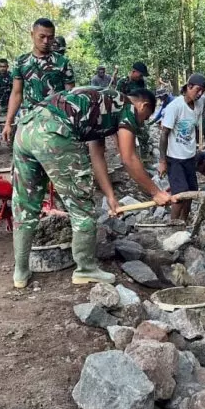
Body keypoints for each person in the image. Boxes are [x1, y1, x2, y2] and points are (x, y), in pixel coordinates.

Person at [11, 86, 171, 289]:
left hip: (26, 128)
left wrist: (110, 196)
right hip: (53, 131)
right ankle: (85, 269)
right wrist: (156, 192)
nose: (140, 123)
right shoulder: (128, 107)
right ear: (144, 105)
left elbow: (97, 155)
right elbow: (128, 157)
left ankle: (21, 271)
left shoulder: (102, 105)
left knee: (26, 203)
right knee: (81, 206)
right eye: (144, 118)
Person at [1, 18, 75, 142]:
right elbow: (16, 93)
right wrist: (8, 123)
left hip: (55, 123)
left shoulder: (62, 62)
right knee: (26, 159)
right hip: (29, 121)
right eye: (42, 36)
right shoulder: (21, 62)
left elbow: (71, 95)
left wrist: (73, 124)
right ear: (32, 35)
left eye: (50, 37)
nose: (46, 41)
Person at [159, 74, 205, 222]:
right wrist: (162, 161)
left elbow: (197, 127)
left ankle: (184, 223)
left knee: (191, 193)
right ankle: (173, 225)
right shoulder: (175, 106)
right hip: (174, 158)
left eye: (203, 91)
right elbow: (164, 134)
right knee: (179, 195)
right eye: (198, 90)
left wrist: (199, 146)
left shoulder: (199, 104)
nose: (200, 94)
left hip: (189, 157)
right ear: (189, 86)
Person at [116, 62, 151, 155]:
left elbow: (144, 95)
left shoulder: (141, 82)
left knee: (144, 135)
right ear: (133, 71)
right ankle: (129, 159)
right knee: (128, 138)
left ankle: (145, 158)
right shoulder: (123, 82)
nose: (141, 77)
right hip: (126, 114)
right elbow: (117, 100)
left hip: (139, 113)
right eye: (140, 75)